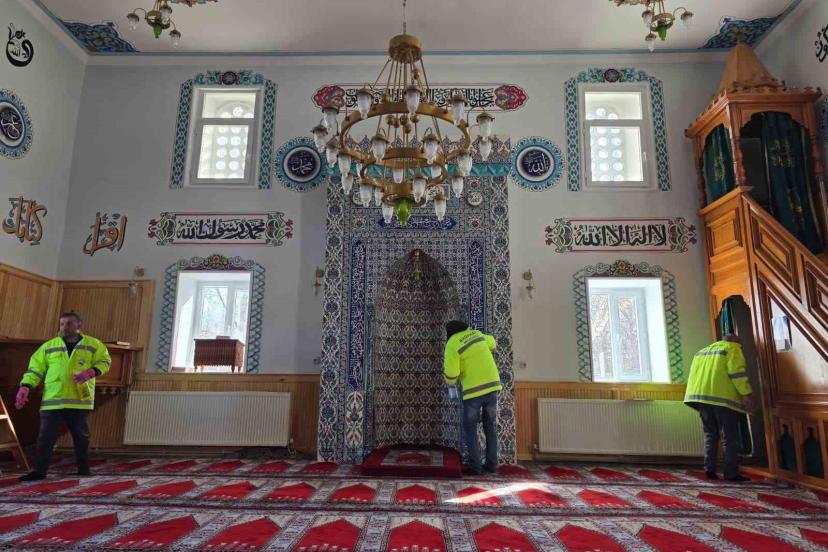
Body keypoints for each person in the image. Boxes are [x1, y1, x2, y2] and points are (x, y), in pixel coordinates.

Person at [15, 312, 111, 481]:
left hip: (79, 400)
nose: (64, 327)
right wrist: (25, 387)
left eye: (69, 323)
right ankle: (39, 471)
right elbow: (35, 369)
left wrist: (91, 372)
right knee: (45, 438)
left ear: (79, 325)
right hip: (52, 400)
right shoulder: (49, 346)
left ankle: (83, 469)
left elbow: (105, 362)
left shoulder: (93, 344)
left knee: (81, 438)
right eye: (62, 324)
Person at [684, 334, 756, 482]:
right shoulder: (732, 348)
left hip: (701, 398)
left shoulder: (702, 352)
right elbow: (737, 373)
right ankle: (731, 473)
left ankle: (709, 470)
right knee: (730, 437)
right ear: (736, 341)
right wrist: (746, 394)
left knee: (710, 434)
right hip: (723, 399)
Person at [443, 320, 502, 475]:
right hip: (492, 386)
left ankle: (475, 467)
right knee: (490, 426)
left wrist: (450, 383)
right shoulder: (477, 334)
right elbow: (493, 342)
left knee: (470, 428)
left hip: (474, 390)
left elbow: (451, 373)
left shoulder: (452, 343)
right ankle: (491, 464)